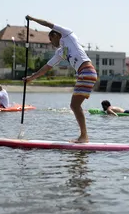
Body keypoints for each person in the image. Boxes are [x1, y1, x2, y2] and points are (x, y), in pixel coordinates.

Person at [23, 15, 97, 143]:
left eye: (51, 40)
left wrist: (32, 19)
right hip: (83, 73)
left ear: (56, 35)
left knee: (74, 105)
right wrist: (31, 78)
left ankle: (84, 137)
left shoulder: (67, 34)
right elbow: (47, 67)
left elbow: (47, 23)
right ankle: (83, 136)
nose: (52, 43)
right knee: (75, 105)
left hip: (87, 71)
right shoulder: (61, 52)